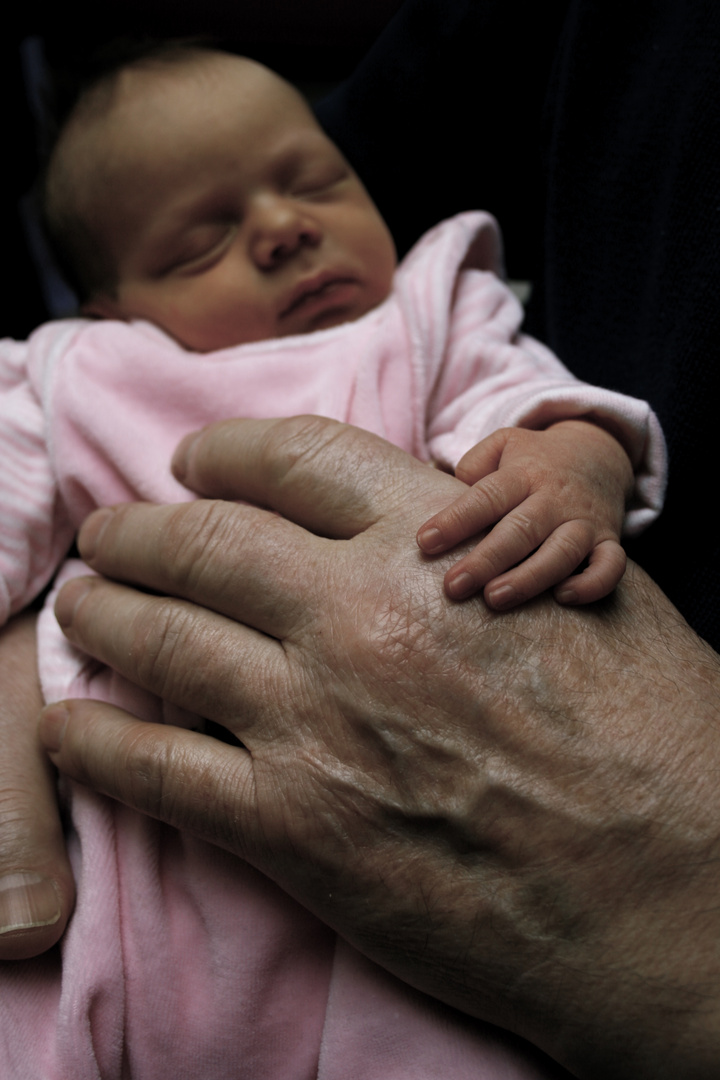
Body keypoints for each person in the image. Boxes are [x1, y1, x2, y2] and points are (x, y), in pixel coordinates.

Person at [0, 42, 663, 1079]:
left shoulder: (432, 314)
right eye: (199, 244)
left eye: (314, 182)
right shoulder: (74, 377)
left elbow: (529, 405)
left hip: (429, 840)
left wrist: (571, 462)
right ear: (114, 311)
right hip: (137, 858)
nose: (284, 228)